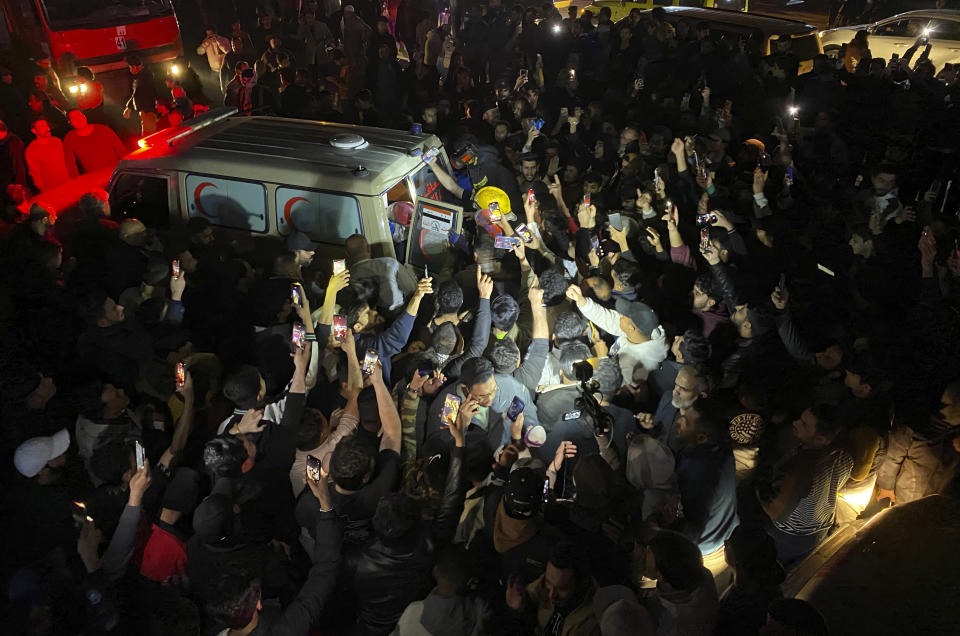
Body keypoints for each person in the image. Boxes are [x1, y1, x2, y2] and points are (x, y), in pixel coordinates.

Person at [63, 110, 128, 174]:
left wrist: (127, 168)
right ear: (70, 122)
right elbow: (70, 164)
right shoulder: (69, 138)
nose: (79, 119)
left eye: (80, 116)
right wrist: (77, 181)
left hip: (116, 172)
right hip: (93, 178)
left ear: (84, 116)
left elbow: (120, 149)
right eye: (74, 118)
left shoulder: (102, 129)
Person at [25, 118, 76, 192]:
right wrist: (43, 190)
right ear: (34, 131)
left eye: (46, 125)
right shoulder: (31, 150)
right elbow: (35, 174)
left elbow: (68, 161)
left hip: (68, 183)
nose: (47, 128)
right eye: (42, 126)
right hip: (52, 189)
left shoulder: (57, 141)